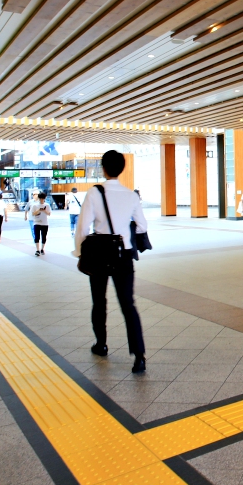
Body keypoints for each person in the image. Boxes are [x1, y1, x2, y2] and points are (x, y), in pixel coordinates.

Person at [72, 150, 147, 374]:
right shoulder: (131, 196)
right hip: (123, 254)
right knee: (128, 304)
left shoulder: (94, 193)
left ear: (103, 168)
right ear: (121, 169)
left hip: (99, 254)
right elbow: (142, 226)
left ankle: (101, 344)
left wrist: (79, 252)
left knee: (99, 301)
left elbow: (82, 226)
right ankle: (139, 356)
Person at [26, 190, 53, 256]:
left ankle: (42, 248)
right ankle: (37, 250)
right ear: (39, 198)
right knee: (37, 236)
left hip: (45, 223)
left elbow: (49, 214)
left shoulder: (47, 205)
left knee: (44, 236)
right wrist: (38, 210)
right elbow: (32, 213)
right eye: (40, 198)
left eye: (43, 198)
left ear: (45, 198)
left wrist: (44, 211)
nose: (41, 200)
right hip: (36, 223)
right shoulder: (35, 205)